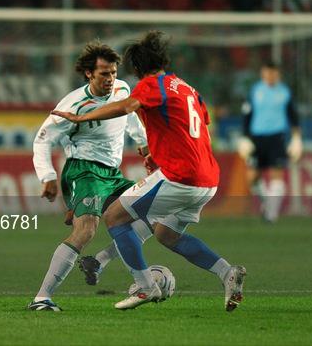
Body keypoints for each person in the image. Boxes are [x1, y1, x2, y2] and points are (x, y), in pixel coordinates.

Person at [53, 31, 246, 311]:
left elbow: (127, 106)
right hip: (208, 178)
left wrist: (82, 116)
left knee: (115, 216)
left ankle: (145, 287)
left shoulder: (151, 84)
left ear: (137, 69)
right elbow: (199, 127)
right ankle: (227, 273)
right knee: (166, 234)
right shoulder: (188, 89)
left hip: (181, 175)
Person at [28, 41, 154, 311]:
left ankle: (98, 261)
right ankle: (42, 298)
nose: (110, 79)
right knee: (86, 229)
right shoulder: (74, 104)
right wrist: (47, 176)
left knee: (152, 212)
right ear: (88, 74)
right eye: (104, 74)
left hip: (112, 174)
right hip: (83, 170)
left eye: (113, 73)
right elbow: (42, 140)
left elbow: (129, 115)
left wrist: (142, 143)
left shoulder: (122, 89)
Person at [237, 62, 302, 222]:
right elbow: (247, 115)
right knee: (252, 177)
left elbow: (293, 116)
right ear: (263, 73)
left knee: (276, 175)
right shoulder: (255, 91)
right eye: (267, 73)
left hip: (277, 137)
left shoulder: (285, 92)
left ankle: (271, 214)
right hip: (256, 138)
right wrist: (245, 136)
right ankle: (267, 203)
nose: (271, 76)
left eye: (273, 73)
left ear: (278, 74)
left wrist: (296, 138)